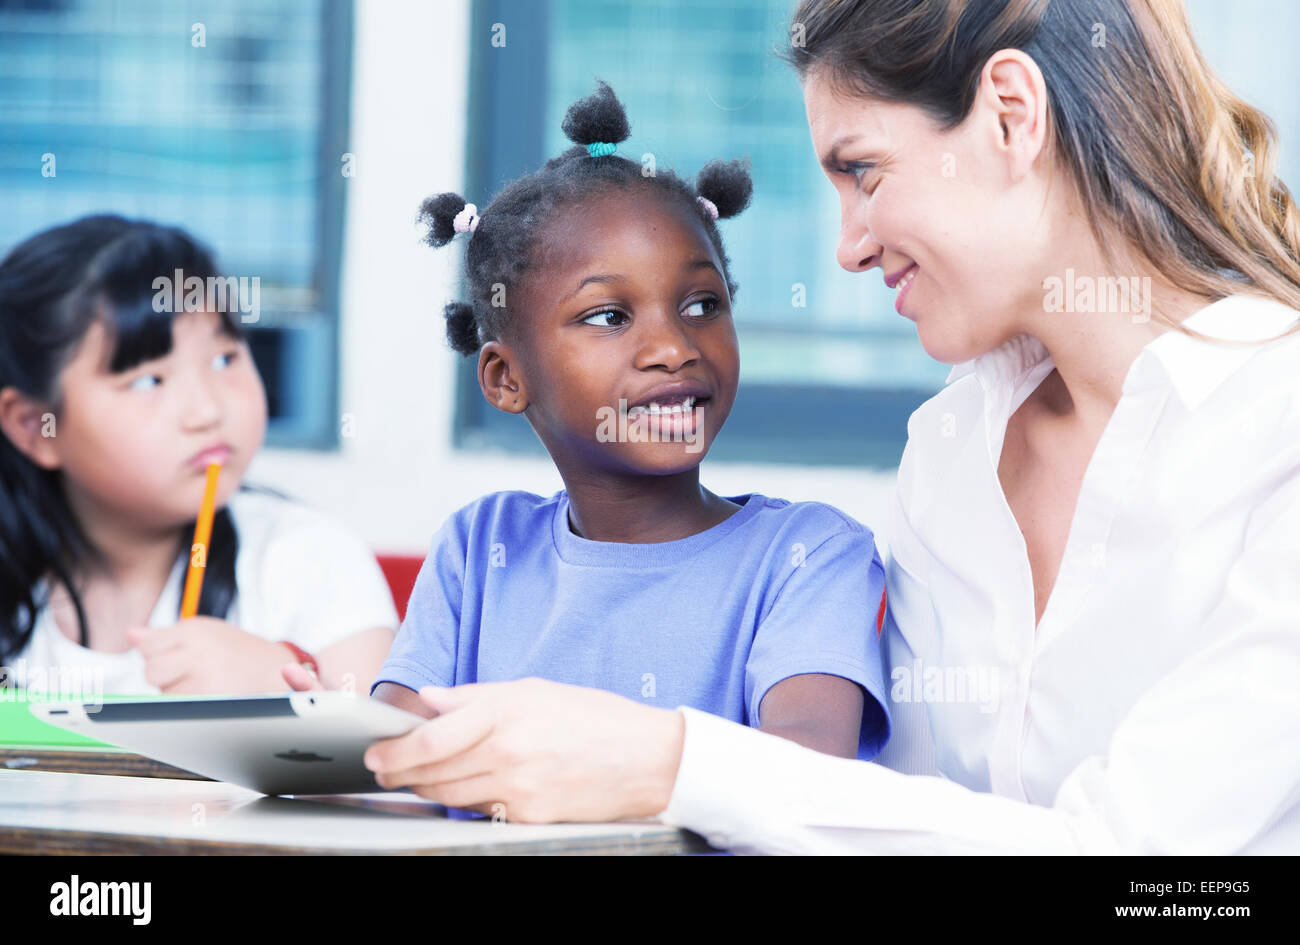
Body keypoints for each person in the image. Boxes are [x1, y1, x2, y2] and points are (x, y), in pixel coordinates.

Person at [289, 0, 1300, 854]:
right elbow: (874, 819)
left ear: (1007, 115)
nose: (849, 248)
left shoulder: (1278, 423)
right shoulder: (949, 452)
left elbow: (1155, 872)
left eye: (861, 171)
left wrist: (668, 761)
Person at [358, 81, 891, 761]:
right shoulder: (477, 550)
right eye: (609, 316)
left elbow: (805, 780)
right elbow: (392, 770)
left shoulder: (808, 555)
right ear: (505, 378)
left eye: (702, 304)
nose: (674, 348)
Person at [0, 215, 397, 695]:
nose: (207, 410)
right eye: (149, 380)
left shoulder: (309, 560)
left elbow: (382, 758)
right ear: (34, 428)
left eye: (224, 358)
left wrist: (284, 682)